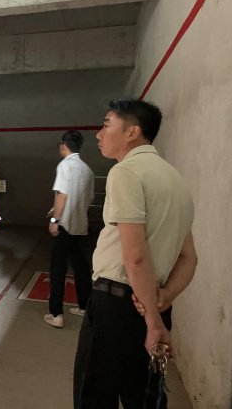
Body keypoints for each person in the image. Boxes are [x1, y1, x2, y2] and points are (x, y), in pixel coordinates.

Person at [73, 99, 198, 408]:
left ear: (132, 132)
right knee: (142, 397)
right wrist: (162, 299)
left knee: (94, 395)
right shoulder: (175, 180)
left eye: (106, 125)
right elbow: (188, 258)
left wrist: (154, 324)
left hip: (116, 307)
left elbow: (136, 256)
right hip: (152, 304)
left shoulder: (126, 173)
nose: (99, 134)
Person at [43, 130, 94, 329]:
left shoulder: (65, 165)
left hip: (64, 226)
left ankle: (56, 314)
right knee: (81, 268)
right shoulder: (87, 169)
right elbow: (88, 199)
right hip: (80, 227)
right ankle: (84, 307)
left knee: (58, 269)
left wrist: (54, 219)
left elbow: (62, 195)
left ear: (64, 145)